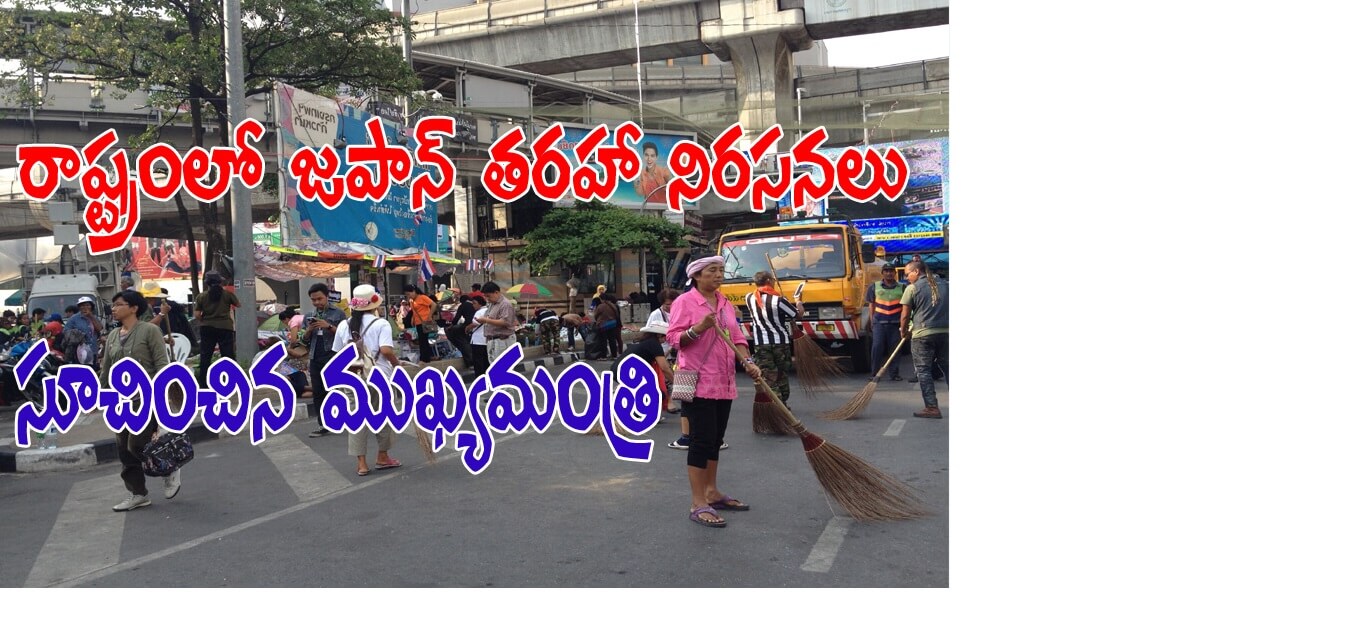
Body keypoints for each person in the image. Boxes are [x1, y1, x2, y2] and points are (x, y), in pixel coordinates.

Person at [666, 255, 761, 527]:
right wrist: (699, 328)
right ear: (696, 276)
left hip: (724, 381)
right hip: (699, 383)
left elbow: (738, 338)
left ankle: (712, 491)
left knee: (716, 439)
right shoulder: (685, 302)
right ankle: (698, 502)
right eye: (712, 271)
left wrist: (749, 361)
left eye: (721, 270)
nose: (719, 275)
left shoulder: (724, 303)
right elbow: (675, 339)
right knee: (701, 440)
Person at [100, 290, 176, 511]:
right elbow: (107, 369)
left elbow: (162, 364)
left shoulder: (150, 330)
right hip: (121, 401)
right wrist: (102, 394)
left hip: (147, 397)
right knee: (123, 447)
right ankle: (138, 493)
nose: (113, 309)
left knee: (137, 444)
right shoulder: (114, 335)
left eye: (118, 304)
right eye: (112, 306)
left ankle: (168, 467)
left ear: (133, 308)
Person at [332, 284, 403, 476]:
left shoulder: (343, 325)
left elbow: (338, 354)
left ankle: (361, 464)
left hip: (353, 378)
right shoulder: (381, 324)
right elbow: (387, 350)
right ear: (374, 304)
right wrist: (397, 365)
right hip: (378, 378)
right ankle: (382, 456)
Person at [744, 271, 803, 406]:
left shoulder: (749, 298)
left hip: (761, 344)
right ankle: (781, 404)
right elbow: (798, 315)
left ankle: (778, 405)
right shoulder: (779, 300)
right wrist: (798, 301)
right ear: (770, 281)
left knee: (768, 375)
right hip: (780, 343)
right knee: (781, 373)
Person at [901, 261, 949, 419]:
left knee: (923, 371)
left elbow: (905, 315)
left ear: (916, 271)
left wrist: (903, 331)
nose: (907, 277)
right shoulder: (945, 284)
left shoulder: (912, 288)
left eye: (908, 274)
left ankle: (932, 407)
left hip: (922, 334)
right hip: (945, 332)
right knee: (949, 368)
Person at [302, 284, 347, 438]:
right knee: (318, 391)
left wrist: (328, 327)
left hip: (332, 356)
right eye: (313, 300)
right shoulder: (309, 314)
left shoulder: (338, 313)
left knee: (333, 390)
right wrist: (309, 330)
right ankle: (323, 424)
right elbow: (303, 340)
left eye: (319, 298)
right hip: (315, 356)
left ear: (327, 296)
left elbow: (345, 337)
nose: (317, 302)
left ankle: (338, 419)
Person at [610, 318, 673, 414]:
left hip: (618, 369)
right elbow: (664, 368)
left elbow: (661, 358)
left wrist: (670, 350)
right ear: (659, 335)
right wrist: (676, 382)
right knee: (657, 394)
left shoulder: (647, 342)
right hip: (627, 372)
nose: (665, 340)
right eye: (665, 337)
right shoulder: (654, 344)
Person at [193, 272, 239, 387]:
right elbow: (238, 304)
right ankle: (230, 382)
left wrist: (205, 319)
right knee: (228, 355)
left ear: (207, 283)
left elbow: (197, 315)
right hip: (225, 327)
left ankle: (203, 384)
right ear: (220, 282)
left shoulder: (202, 296)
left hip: (207, 328)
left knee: (205, 356)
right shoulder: (227, 294)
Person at [863, 265, 906, 381]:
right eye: (886, 271)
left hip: (895, 324)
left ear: (895, 273)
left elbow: (906, 307)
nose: (889, 273)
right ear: (882, 273)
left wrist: (904, 324)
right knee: (877, 348)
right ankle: (874, 374)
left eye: (891, 271)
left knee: (895, 350)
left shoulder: (902, 287)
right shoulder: (874, 286)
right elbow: (871, 305)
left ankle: (894, 374)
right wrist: (872, 322)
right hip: (879, 324)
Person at [477, 282, 517, 366]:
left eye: (488, 296)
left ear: (496, 292)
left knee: (502, 368)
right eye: (485, 296)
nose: (487, 299)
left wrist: (486, 320)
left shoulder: (505, 304)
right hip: (493, 340)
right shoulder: (492, 304)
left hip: (503, 340)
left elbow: (506, 322)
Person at [63, 296, 103, 368]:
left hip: (93, 350)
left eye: (87, 305)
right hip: (80, 351)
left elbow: (99, 328)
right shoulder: (74, 319)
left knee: (93, 370)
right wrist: (77, 335)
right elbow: (66, 331)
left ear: (91, 306)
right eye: (82, 305)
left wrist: (91, 316)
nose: (85, 307)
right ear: (79, 307)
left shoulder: (94, 317)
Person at [404, 283, 437, 363]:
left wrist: (429, 316)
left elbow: (434, 304)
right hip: (418, 323)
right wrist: (412, 319)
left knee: (423, 340)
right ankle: (426, 357)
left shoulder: (422, 297)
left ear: (414, 291)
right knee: (422, 340)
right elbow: (414, 311)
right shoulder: (412, 300)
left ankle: (424, 359)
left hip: (425, 321)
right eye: (407, 295)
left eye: (409, 294)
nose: (409, 296)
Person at [464, 294, 490, 377]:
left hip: (478, 340)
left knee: (478, 361)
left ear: (480, 304)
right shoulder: (489, 310)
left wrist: (467, 327)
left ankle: (480, 377)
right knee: (486, 360)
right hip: (487, 339)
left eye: (474, 303)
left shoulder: (479, 312)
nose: (473, 305)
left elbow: (475, 323)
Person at [592, 292, 622, 360]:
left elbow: (595, 315)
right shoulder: (613, 305)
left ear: (601, 299)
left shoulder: (601, 306)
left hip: (603, 325)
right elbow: (617, 315)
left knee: (603, 341)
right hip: (612, 324)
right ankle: (614, 355)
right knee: (612, 340)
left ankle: (603, 356)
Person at [445, 295, 475, 361]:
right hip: (474, 325)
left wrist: (451, 326)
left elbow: (456, 318)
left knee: (451, 331)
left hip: (467, 325)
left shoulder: (463, 305)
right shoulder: (474, 304)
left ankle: (463, 349)